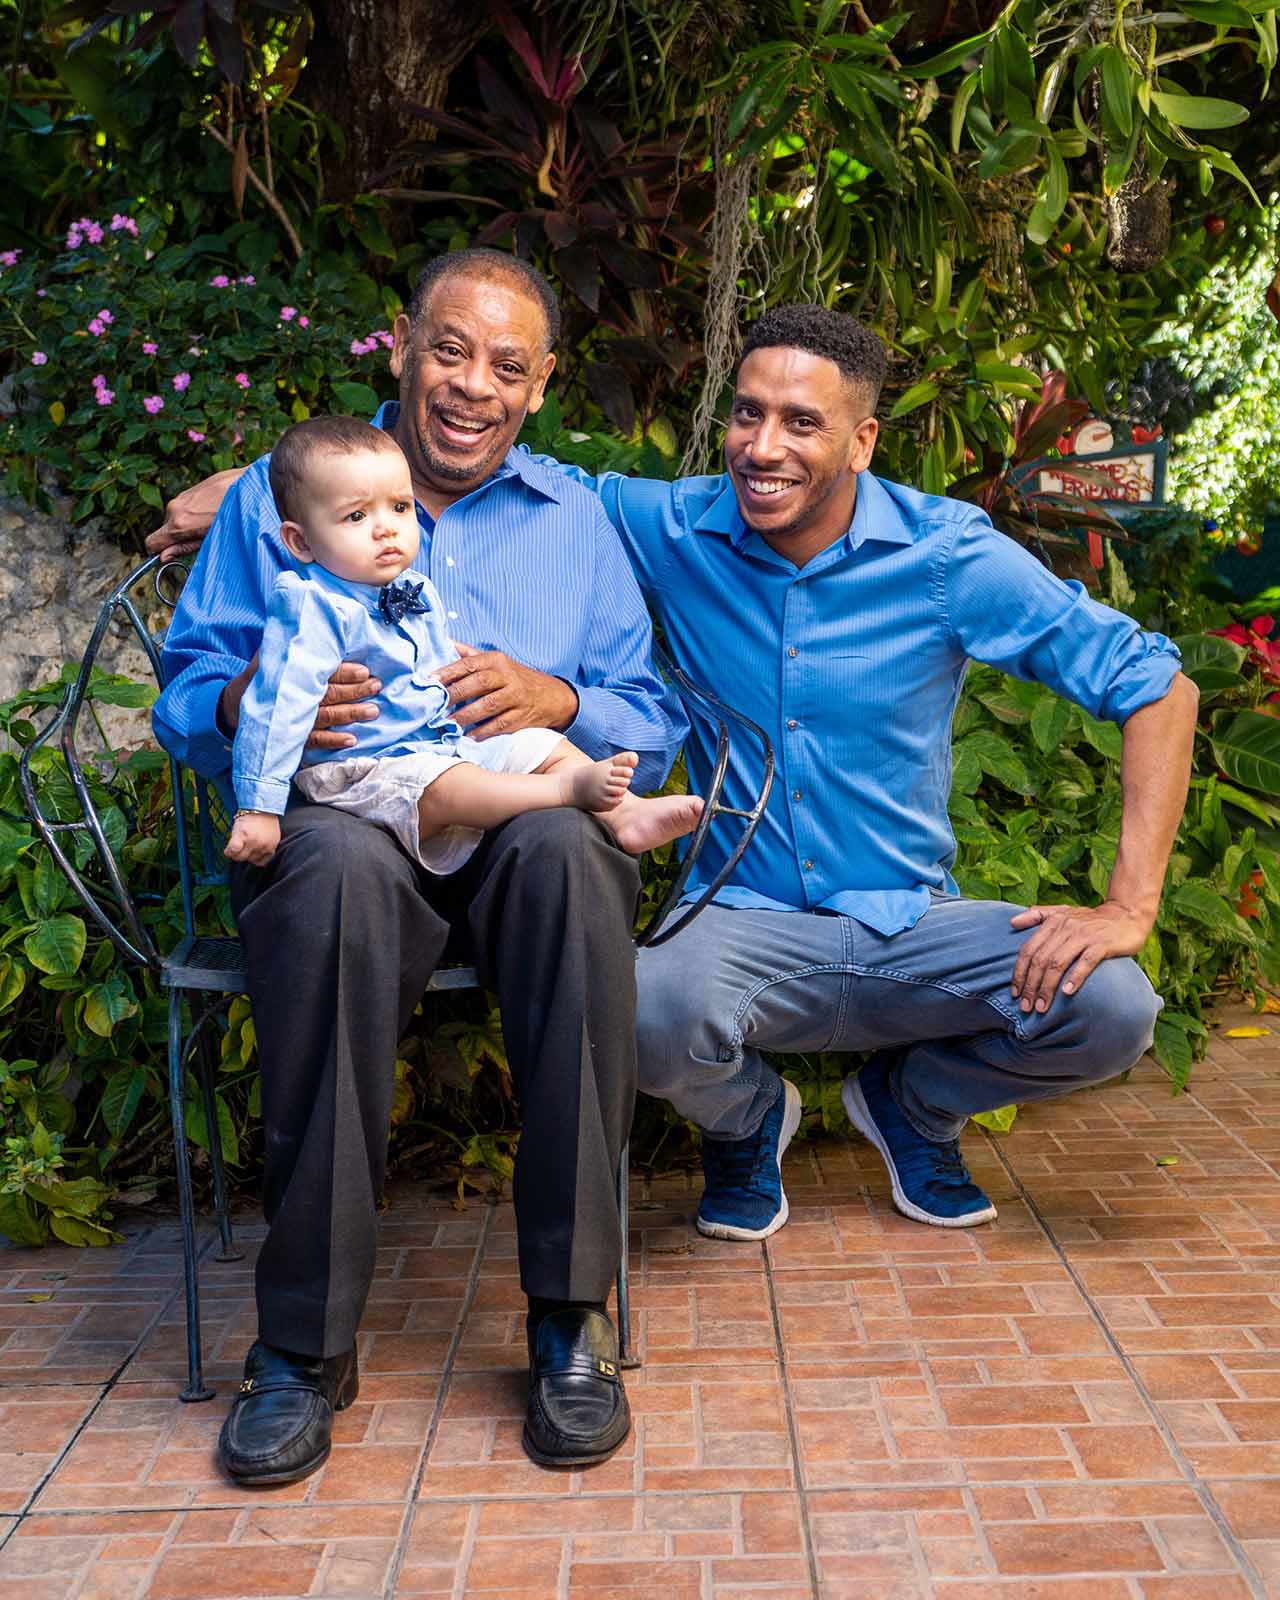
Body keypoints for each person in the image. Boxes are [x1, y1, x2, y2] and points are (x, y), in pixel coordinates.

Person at [153, 292, 1198, 1261]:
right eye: (747, 414)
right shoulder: (669, 522)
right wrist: (260, 483)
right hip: (740, 924)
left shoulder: (946, 556)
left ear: (861, 441)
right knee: (639, 1008)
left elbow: (1157, 687)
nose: (763, 447)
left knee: (1111, 1006)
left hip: (909, 921)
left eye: (801, 422)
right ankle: (748, 1123)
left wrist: (1128, 906)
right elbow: (460, 456)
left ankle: (914, 1103)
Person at [152, 249, 689, 1487]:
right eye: (448, 349)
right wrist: (250, 700)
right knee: (334, 875)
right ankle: (302, 1348)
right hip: (344, 823)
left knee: (569, 852)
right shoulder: (280, 497)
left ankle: (569, 1319)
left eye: (506, 365)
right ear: (400, 345)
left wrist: (556, 696)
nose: (471, 385)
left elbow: (646, 710)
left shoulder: (576, 521)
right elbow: (185, 695)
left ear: (540, 386)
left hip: (511, 827)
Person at [226, 415, 701, 869]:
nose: (386, 527)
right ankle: (566, 791)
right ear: (301, 543)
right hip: (365, 770)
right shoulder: (312, 608)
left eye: (399, 507)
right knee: (447, 785)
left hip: (440, 746)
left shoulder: (413, 590)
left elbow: (437, 675)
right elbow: (276, 707)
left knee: (539, 743)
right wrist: (258, 808)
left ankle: (626, 814)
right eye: (355, 515)